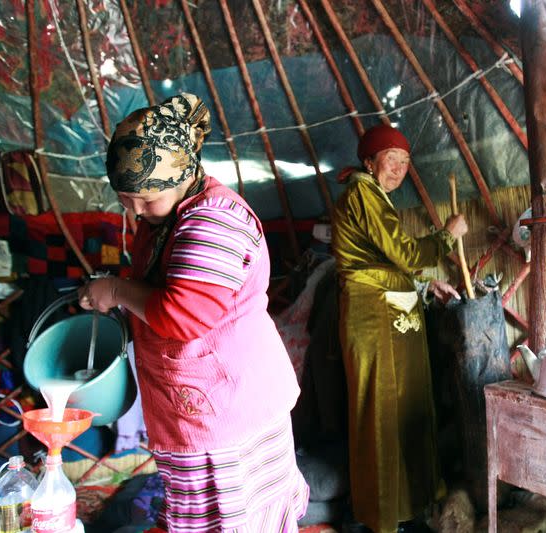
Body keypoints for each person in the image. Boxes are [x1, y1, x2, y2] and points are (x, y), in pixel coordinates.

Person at [78, 93, 308, 532]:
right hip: (198, 408)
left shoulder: (213, 222)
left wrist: (116, 289)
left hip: (231, 410)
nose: (134, 211)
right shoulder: (166, 218)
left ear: (182, 175)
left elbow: (182, 316)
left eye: (145, 199)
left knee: (237, 520)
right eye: (124, 198)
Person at [331, 124, 468, 533]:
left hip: (393, 311)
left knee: (407, 407)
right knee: (381, 411)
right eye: (392, 160)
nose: (400, 170)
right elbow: (405, 254)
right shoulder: (361, 192)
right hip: (373, 315)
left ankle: (409, 505)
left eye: (406, 163)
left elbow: (389, 262)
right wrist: (446, 235)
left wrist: (424, 286)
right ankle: (382, 514)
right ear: (370, 162)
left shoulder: (375, 198)